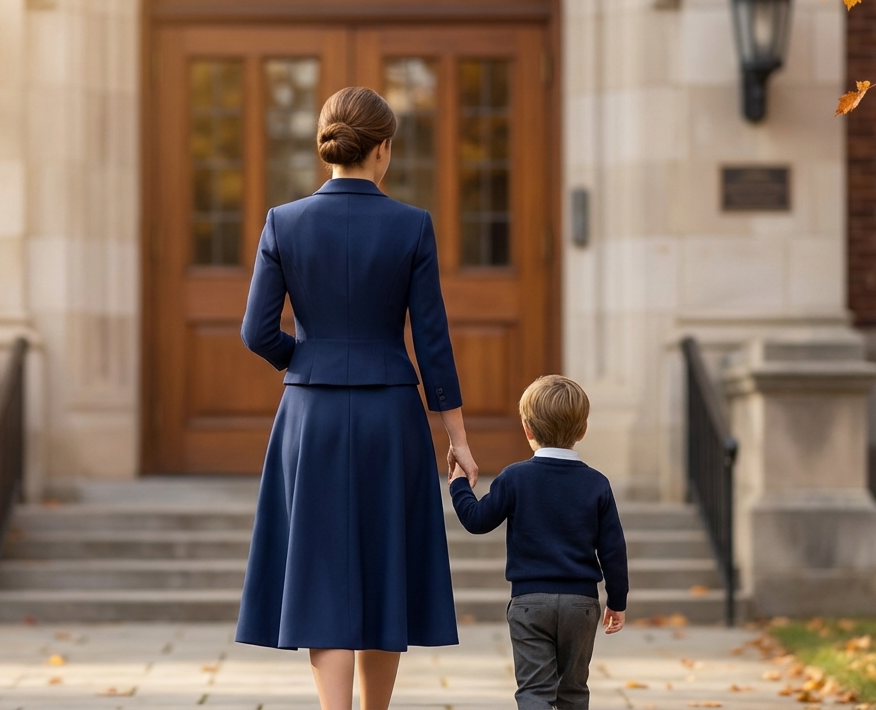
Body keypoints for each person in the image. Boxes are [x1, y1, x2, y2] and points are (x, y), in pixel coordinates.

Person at [235, 86, 478, 710]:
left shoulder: (283, 222)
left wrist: (308, 361)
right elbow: (432, 343)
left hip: (310, 417)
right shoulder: (411, 226)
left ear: (330, 149)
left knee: (321, 572)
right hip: (390, 416)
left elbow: (256, 333)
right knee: (384, 569)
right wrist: (458, 439)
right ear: (384, 151)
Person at [449, 374, 628, 710]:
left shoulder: (515, 478)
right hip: (581, 604)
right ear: (582, 430)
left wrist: (459, 484)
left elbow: (476, 520)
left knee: (534, 691)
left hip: (530, 603)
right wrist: (617, 600)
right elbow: (614, 550)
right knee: (574, 691)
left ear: (527, 429)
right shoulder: (596, 484)